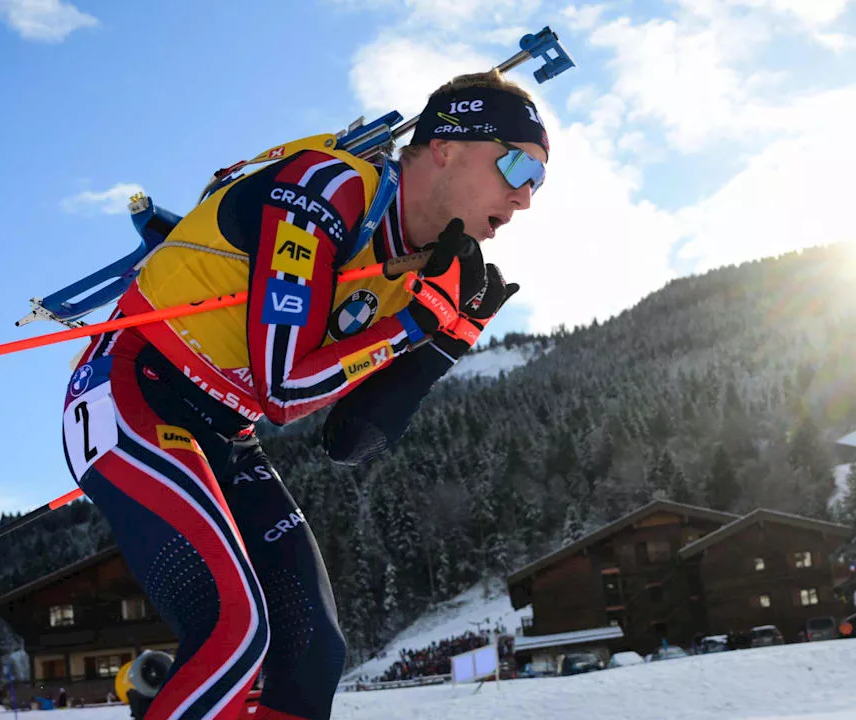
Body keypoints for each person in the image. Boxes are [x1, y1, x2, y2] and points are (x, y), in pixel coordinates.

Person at [60, 69, 548, 720]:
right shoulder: (329, 186)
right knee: (233, 634)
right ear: (445, 148)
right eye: (517, 166)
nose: (525, 198)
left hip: (226, 432)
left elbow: (349, 440)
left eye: (539, 182)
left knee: (314, 653)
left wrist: (442, 345)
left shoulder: (444, 265)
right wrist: (413, 326)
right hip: (135, 389)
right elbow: (286, 388)